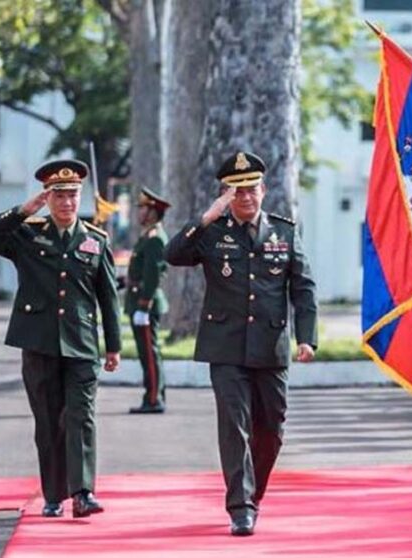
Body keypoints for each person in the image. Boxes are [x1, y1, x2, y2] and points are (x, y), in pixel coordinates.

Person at [165, 151, 317, 536]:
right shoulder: (212, 232)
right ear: (225, 195)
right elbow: (174, 254)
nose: (245, 197)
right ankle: (240, 506)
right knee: (235, 426)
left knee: (272, 427)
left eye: (251, 189)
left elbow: (303, 288)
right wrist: (205, 217)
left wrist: (307, 337)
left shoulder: (284, 232)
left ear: (263, 191)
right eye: (236, 192)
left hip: (271, 347)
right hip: (226, 347)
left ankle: (255, 492)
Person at [0, 159, 121, 518]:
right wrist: (24, 210)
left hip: (81, 343)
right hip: (39, 341)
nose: (67, 203)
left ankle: (83, 493)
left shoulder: (95, 240)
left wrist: (114, 345)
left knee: (81, 417)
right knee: (47, 420)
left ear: (80, 197)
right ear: (48, 198)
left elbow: (108, 297)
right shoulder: (28, 235)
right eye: (59, 196)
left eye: (72, 195)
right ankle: (53, 494)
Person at [126, 187, 171, 414]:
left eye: (143, 208)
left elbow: (153, 275)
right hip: (139, 299)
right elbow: (140, 271)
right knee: (148, 353)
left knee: (150, 354)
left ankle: (153, 399)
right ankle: (154, 394)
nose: (139, 212)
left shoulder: (155, 239)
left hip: (145, 303)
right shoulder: (147, 236)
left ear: (153, 212)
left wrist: (144, 305)